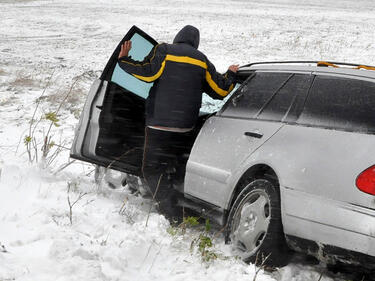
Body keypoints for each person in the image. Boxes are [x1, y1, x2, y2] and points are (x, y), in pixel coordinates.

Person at [117, 25, 239, 221]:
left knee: (151, 169)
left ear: (177, 38)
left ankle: (171, 213)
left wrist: (124, 60)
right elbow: (220, 90)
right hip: (185, 127)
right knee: (170, 164)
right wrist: (231, 74)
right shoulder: (201, 60)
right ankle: (178, 203)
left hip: (159, 124)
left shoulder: (165, 50)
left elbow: (148, 73)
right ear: (195, 42)